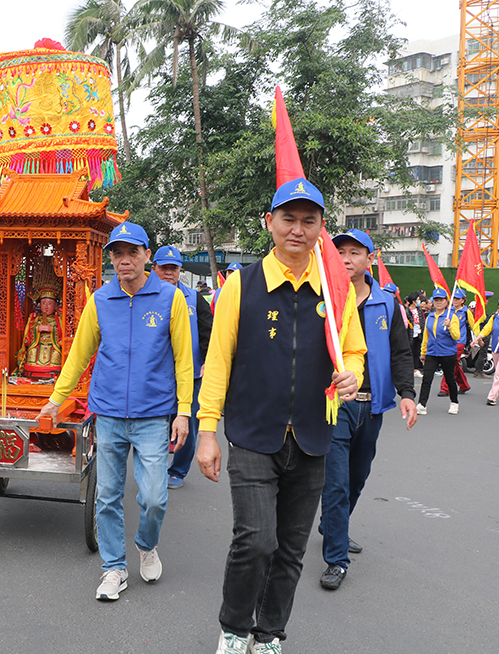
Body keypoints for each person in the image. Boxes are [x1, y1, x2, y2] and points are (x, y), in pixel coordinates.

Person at [196, 178, 364, 654]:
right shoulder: (240, 286)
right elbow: (219, 362)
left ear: (320, 228)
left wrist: (351, 373)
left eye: (308, 220)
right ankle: (233, 628)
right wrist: (208, 430)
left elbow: (352, 351)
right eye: (288, 218)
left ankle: (269, 634)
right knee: (256, 541)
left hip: (313, 436)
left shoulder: (335, 292)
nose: (297, 229)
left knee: (290, 550)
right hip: (252, 433)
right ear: (269, 223)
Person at [38, 221, 193, 602]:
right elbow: (79, 353)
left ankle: (146, 543)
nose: (125, 260)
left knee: (154, 497)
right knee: (107, 495)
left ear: (147, 256)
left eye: (132, 252)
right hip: (106, 414)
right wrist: (57, 400)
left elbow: (184, 361)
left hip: (154, 414)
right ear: (112, 258)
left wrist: (184, 411)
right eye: (118, 253)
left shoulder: (170, 299)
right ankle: (114, 568)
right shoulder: (100, 300)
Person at [318, 229, 417, 591]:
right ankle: (336, 559)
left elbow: (401, 353)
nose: (345, 258)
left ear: (369, 259)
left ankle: (333, 526)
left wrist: (407, 393)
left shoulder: (388, 304)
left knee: (357, 478)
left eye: (354, 252)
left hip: (372, 405)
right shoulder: (323, 298)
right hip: (336, 403)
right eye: (339, 251)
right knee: (337, 484)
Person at [150, 245, 212, 490]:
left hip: (191, 375)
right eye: (163, 267)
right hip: (156, 375)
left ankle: (177, 470)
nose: (168, 273)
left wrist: (207, 360)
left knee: (188, 424)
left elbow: (208, 331)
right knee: (155, 423)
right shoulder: (144, 297)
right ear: (153, 268)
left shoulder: (193, 298)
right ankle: (154, 468)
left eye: (173, 268)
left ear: (179, 271)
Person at [416, 288, 461, 415]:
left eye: (441, 300)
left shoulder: (452, 317)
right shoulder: (430, 316)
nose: (438, 302)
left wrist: (450, 326)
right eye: (436, 300)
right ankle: (422, 404)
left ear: (447, 301)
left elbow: (457, 336)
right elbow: (426, 335)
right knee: (427, 379)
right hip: (432, 353)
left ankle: (454, 402)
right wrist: (423, 352)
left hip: (447, 353)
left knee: (450, 378)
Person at [438, 289, 476, 398]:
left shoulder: (465, 311)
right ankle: (464, 385)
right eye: (454, 298)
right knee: (454, 364)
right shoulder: (448, 310)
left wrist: (478, 339)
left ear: (463, 300)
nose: (455, 300)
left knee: (449, 364)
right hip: (447, 341)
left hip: (459, 342)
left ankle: (445, 388)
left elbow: (473, 326)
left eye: (457, 298)